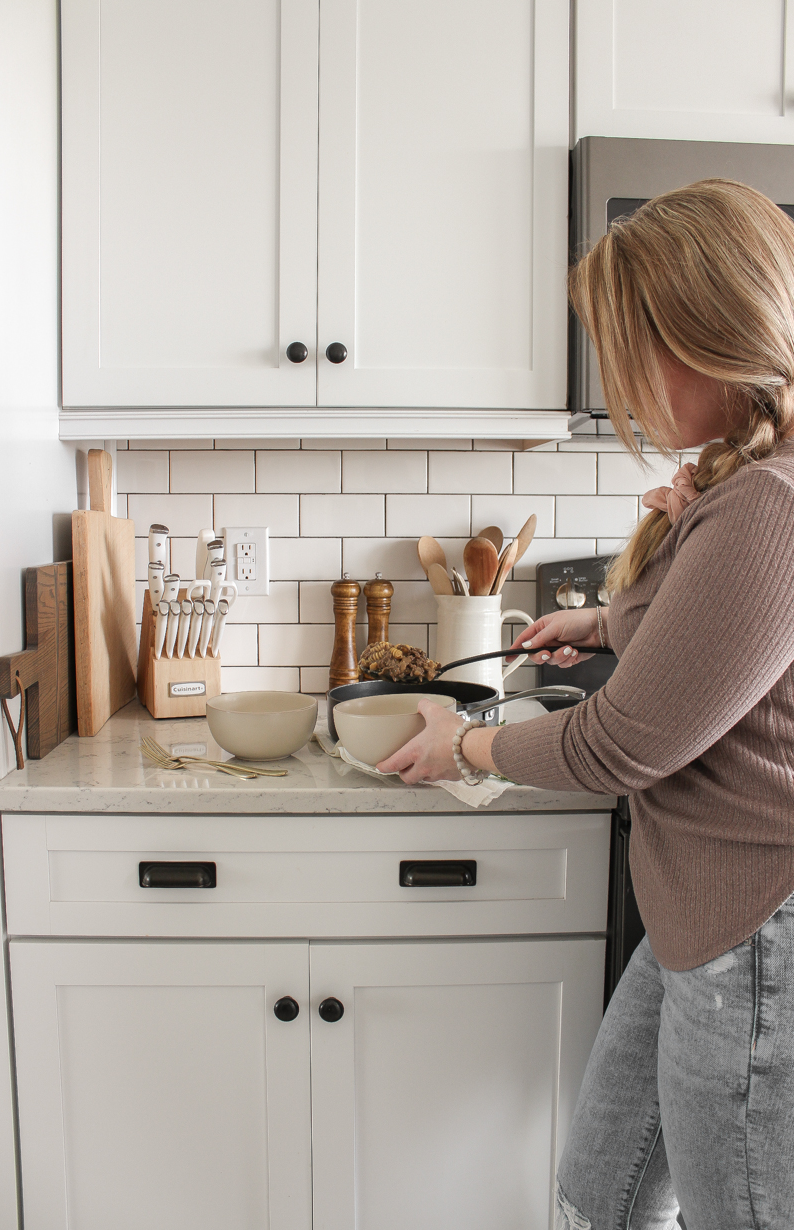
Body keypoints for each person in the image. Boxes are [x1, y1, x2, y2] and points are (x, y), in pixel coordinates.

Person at [377, 179, 794, 1229]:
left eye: (625, 348)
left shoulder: (768, 507)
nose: (616, 386)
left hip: (756, 932)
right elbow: (723, 640)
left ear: (710, 334)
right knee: (602, 1189)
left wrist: (466, 743)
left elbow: (626, 742)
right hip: (702, 909)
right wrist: (604, 624)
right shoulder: (746, 489)